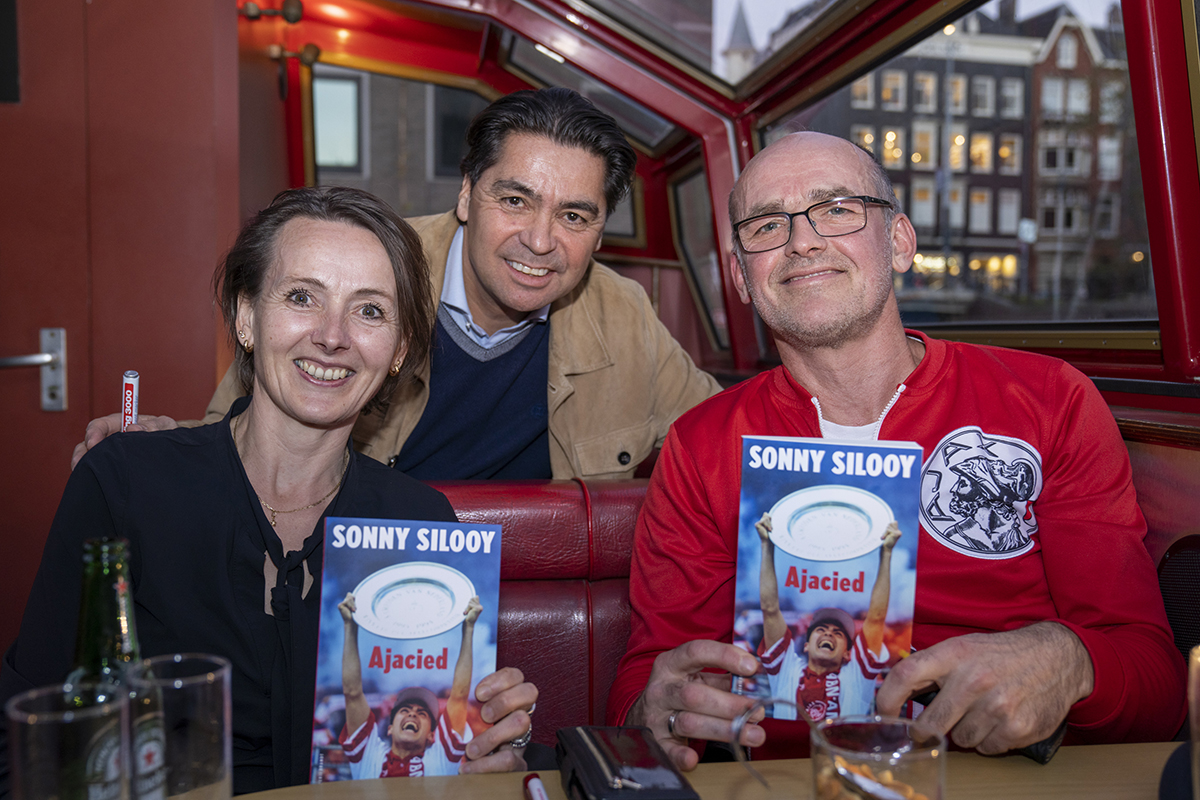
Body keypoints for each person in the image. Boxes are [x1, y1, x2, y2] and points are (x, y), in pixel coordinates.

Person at [607, 132, 1185, 770]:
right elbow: (646, 688)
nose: (802, 241)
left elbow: (1156, 685)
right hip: (790, 777)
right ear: (742, 277)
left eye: (837, 210)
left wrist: (1070, 660)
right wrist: (656, 712)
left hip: (1004, 775)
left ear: (900, 242)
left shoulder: (1049, 401)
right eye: (767, 225)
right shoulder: (700, 446)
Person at [0, 187, 537, 794]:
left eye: (369, 311)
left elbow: (431, 742)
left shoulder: (418, 523)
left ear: (399, 351)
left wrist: (490, 746)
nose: (332, 336)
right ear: (246, 317)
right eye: (302, 297)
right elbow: (29, 741)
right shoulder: (125, 484)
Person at [71, 88, 721, 480]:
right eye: (514, 200)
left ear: (601, 233)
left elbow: (723, 444)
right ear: (466, 194)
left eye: (574, 216)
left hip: (528, 600)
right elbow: (242, 436)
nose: (541, 240)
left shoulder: (623, 312)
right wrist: (170, 441)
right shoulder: (369, 268)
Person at [755, 516, 899, 722]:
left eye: (838, 633)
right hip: (785, 743)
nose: (828, 633)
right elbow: (769, 609)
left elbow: (876, 618)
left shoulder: (857, 676)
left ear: (848, 653)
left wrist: (886, 553)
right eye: (821, 630)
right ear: (806, 646)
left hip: (843, 744)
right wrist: (766, 544)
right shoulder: (786, 670)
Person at [337, 593, 479, 778]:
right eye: (404, 710)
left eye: (422, 713)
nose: (412, 714)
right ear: (390, 728)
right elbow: (352, 693)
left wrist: (469, 628)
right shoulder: (368, 756)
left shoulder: (442, 758)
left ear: (431, 735)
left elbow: (459, 696)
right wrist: (350, 625)